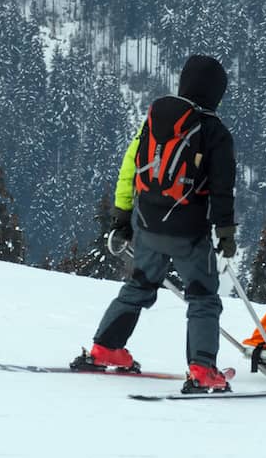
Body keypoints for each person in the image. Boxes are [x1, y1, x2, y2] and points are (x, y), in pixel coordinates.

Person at [71, 55, 238, 393]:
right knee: (204, 298)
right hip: (188, 234)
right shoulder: (215, 132)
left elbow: (129, 167)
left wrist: (121, 216)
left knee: (138, 287)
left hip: (146, 225)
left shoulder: (154, 121)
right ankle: (203, 370)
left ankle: (106, 349)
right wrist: (225, 232)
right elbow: (222, 188)